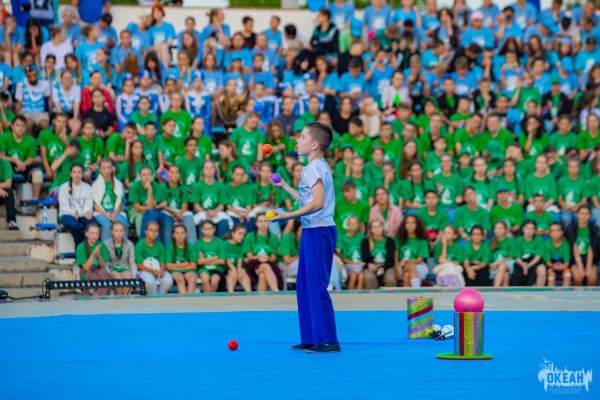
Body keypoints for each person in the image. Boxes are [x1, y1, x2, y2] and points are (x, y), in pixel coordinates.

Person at [270, 121, 340, 353]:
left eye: (302, 137)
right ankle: (311, 337)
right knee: (304, 285)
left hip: (319, 230)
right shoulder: (313, 167)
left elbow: (318, 203)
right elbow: (307, 200)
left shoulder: (315, 168)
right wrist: (285, 186)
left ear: (314, 144)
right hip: (312, 230)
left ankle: (328, 340)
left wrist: (288, 216)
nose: (297, 141)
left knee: (316, 285)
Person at [0, 115, 43, 200]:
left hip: (24, 165)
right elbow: (1, 156)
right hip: (9, 164)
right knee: (5, 166)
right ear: (12, 127)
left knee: (38, 173)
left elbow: (31, 159)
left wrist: (22, 164)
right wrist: (15, 160)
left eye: (23, 125)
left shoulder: (30, 139)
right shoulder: (4, 138)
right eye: (17, 125)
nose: (20, 128)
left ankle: (35, 200)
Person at [58, 163, 98, 246]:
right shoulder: (64, 187)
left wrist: (86, 212)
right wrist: (73, 213)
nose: (77, 175)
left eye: (79, 172)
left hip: (83, 214)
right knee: (74, 225)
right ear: (71, 174)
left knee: (93, 225)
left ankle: (90, 247)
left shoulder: (87, 187)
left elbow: (88, 205)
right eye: (75, 172)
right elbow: (63, 207)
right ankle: (80, 246)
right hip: (67, 214)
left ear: (83, 174)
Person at [92, 158, 128, 241]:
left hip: (115, 212)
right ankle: (106, 248)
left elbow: (120, 202)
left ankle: (124, 247)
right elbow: (95, 205)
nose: (107, 170)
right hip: (101, 212)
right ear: (100, 169)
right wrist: (106, 214)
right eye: (104, 168)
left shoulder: (118, 184)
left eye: (109, 168)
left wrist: (114, 214)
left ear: (112, 169)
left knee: (121, 223)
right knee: (107, 225)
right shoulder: (95, 185)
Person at [134, 220, 173, 294]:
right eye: (151, 230)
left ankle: (159, 297)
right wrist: (152, 271)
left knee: (168, 280)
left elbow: (162, 262)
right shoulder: (139, 245)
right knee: (150, 281)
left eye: (156, 231)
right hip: (144, 271)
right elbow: (139, 265)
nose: (153, 233)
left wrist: (162, 270)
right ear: (146, 231)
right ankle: (154, 298)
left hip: (157, 269)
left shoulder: (160, 245)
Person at [566, 205, 598, 286]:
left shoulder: (594, 229)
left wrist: (588, 268)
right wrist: (580, 267)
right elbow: (574, 248)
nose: (584, 216)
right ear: (577, 215)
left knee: (592, 277)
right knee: (578, 277)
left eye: (586, 214)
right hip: (575, 258)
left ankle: (590, 294)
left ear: (590, 215)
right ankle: (577, 294)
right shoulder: (571, 228)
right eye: (581, 213)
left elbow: (591, 248)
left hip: (590, 258)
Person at [75, 223, 111, 295]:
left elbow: (103, 266)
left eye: (96, 234)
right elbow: (86, 267)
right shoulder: (81, 246)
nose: (94, 236)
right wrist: (93, 254)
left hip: (99, 269)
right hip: (86, 271)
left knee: (105, 274)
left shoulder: (102, 245)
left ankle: (104, 298)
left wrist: (98, 255)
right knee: (97, 278)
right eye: (92, 233)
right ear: (86, 233)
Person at [361, 219, 396, 289]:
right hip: (372, 264)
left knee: (390, 279)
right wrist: (369, 264)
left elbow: (391, 259)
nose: (377, 229)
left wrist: (384, 268)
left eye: (379, 226)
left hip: (386, 265)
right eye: (374, 227)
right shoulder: (365, 241)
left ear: (383, 227)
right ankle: (372, 295)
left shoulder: (390, 241)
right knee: (369, 278)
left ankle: (389, 295)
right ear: (371, 230)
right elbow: (365, 257)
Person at [104, 221, 136, 295]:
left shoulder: (129, 244)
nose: (119, 233)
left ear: (124, 232)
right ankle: (119, 298)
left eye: (121, 230)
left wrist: (133, 274)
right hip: (112, 268)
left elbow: (132, 261)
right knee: (118, 279)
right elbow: (106, 262)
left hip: (125, 267)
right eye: (116, 230)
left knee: (128, 279)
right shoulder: (106, 244)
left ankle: (126, 299)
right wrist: (108, 273)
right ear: (111, 231)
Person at [166, 224, 198, 294]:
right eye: (177, 233)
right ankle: (183, 298)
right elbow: (168, 266)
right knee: (180, 279)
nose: (180, 235)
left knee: (192, 279)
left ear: (186, 234)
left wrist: (175, 266)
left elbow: (193, 266)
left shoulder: (190, 246)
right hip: (175, 271)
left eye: (182, 233)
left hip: (188, 271)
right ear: (173, 235)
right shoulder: (170, 247)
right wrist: (186, 264)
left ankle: (189, 299)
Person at [196, 220, 227, 293]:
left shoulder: (219, 242)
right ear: (201, 230)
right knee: (205, 279)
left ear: (214, 229)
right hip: (203, 269)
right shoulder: (198, 243)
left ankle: (210, 298)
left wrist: (205, 260)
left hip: (217, 269)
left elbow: (222, 261)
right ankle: (208, 299)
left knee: (214, 281)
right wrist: (214, 258)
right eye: (205, 229)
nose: (208, 231)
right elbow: (199, 262)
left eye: (210, 229)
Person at [223, 224, 251, 292]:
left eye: (243, 234)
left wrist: (239, 271)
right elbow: (227, 259)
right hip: (228, 268)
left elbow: (240, 259)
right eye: (240, 233)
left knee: (242, 271)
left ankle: (249, 293)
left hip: (238, 267)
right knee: (232, 272)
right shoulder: (224, 244)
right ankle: (230, 293)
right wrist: (234, 270)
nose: (242, 236)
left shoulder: (241, 245)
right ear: (233, 233)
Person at [0, 159, 18, 230]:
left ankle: (12, 221)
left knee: (9, 192)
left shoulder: (5, 163)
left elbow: (8, 184)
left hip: (1, 194)